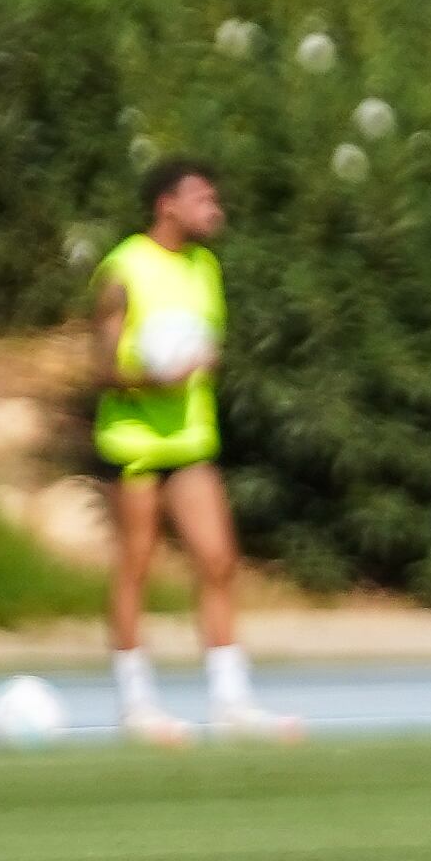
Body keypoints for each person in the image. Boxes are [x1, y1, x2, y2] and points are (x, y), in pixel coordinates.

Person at [88, 159, 293, 746]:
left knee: (218, 559)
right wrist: (156, 379)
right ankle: (137, 703)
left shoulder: (206, 267)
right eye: (203, 199)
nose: (215, 210)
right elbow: (101, 367)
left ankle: (231, 700)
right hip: (133, 443)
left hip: (191, 441)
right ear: (167, 206)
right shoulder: (124, 269)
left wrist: (202, 364)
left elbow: (206, 342)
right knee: (136, 565)